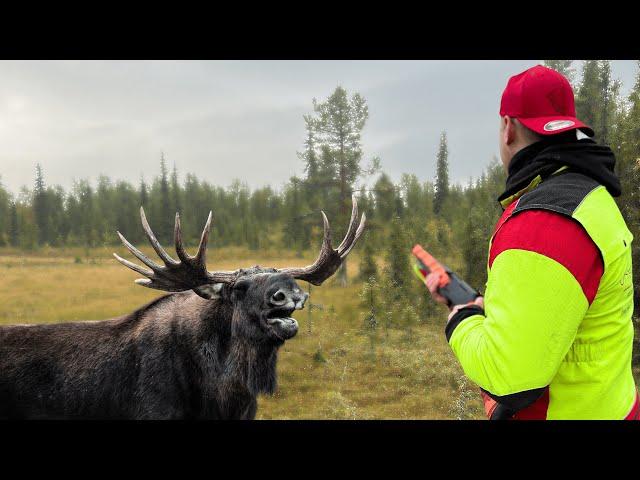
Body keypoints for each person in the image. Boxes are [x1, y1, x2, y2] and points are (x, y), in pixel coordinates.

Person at [425, 64, 639, 420]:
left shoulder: (542, 223)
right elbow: (561, 308)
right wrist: (484, 303)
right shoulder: (592, 199)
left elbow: (509, 378)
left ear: (508, 128)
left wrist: (461, 319)